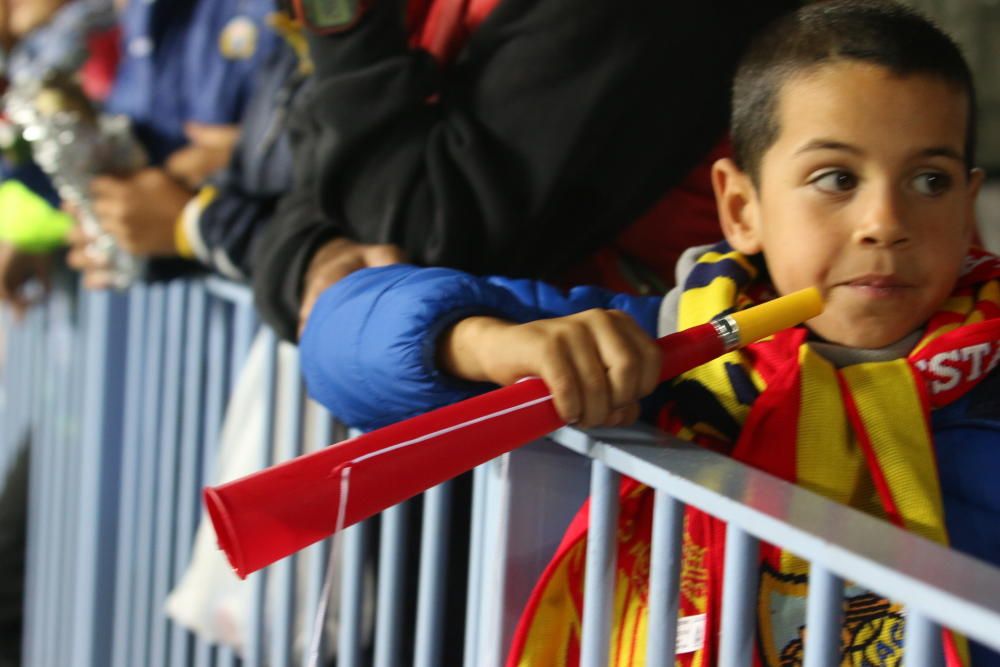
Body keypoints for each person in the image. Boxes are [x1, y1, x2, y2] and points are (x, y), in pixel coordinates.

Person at [296, 1, 1000, 664]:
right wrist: (486, 343)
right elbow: (337, 336)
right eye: (835, 177)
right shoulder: (662, 347)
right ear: (740, 206)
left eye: (930, 181)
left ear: (969, 202)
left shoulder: (988, 378)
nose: (885, 221)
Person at [252, 0, 799, 342]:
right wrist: (314, 257)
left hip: (606, 466)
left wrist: (341, 20)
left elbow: (426, 244)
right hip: (476, 441)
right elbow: (320, 168)